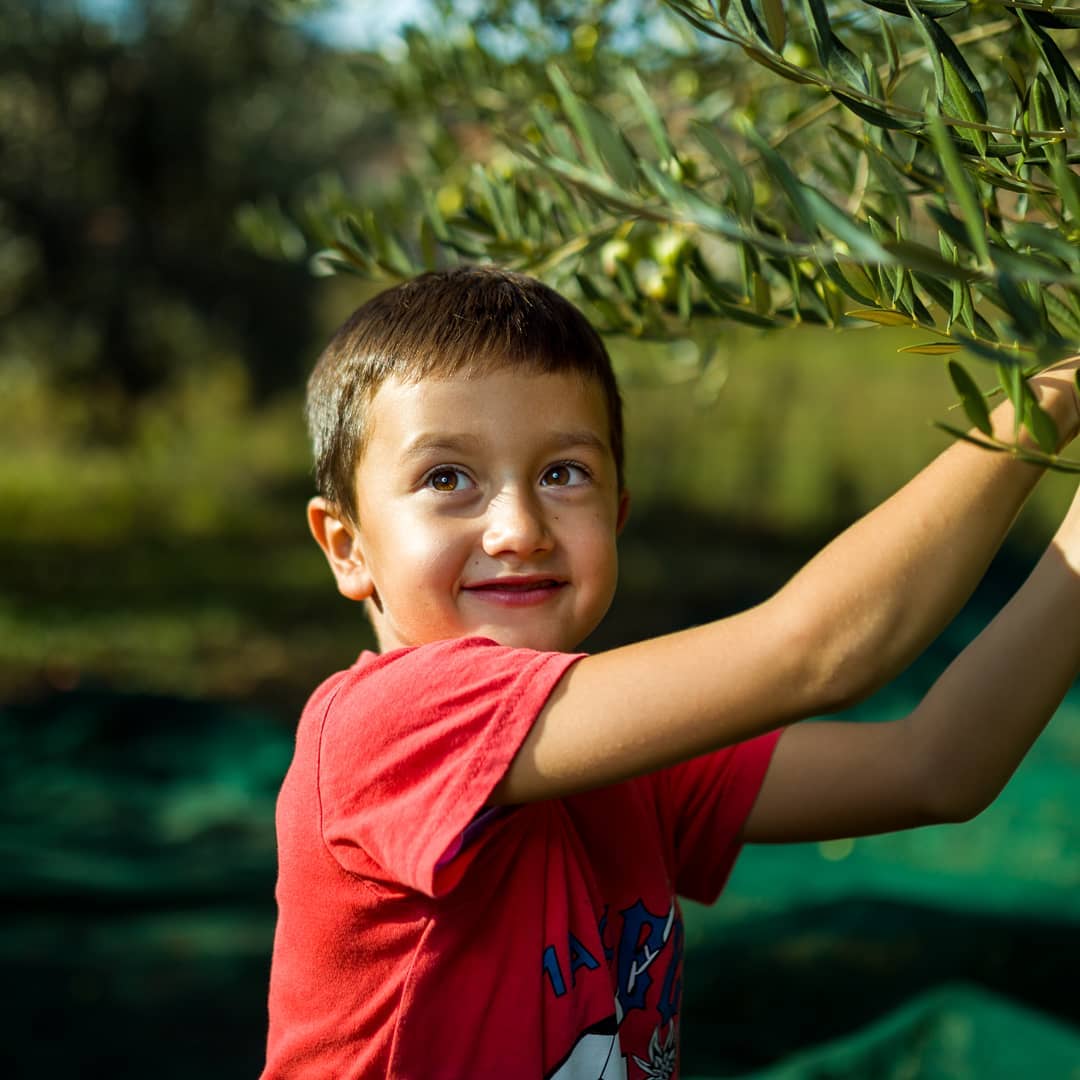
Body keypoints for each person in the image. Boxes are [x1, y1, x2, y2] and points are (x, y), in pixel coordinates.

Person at [260, 265, 1080, 1079]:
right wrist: (1055, 399)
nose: (519, 528)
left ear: (617, 511)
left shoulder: (624, 762)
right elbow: (820, 651)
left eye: (563, 474)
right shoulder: (385, 729)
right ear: (346, 545)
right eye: (447, 479)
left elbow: (932, 767)